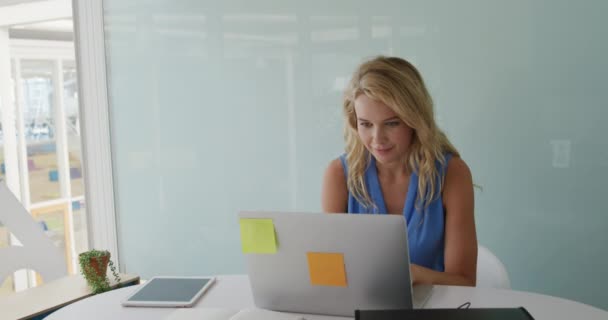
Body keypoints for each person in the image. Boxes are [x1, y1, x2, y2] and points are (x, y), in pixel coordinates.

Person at [321, 56, 477, 286]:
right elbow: (329, 274)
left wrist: (411, 274)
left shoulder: (452, 174)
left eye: (392, 123)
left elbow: (464, 281)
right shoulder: (339, 175)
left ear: (414, 119)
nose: (377, 139)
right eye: (366, 124)